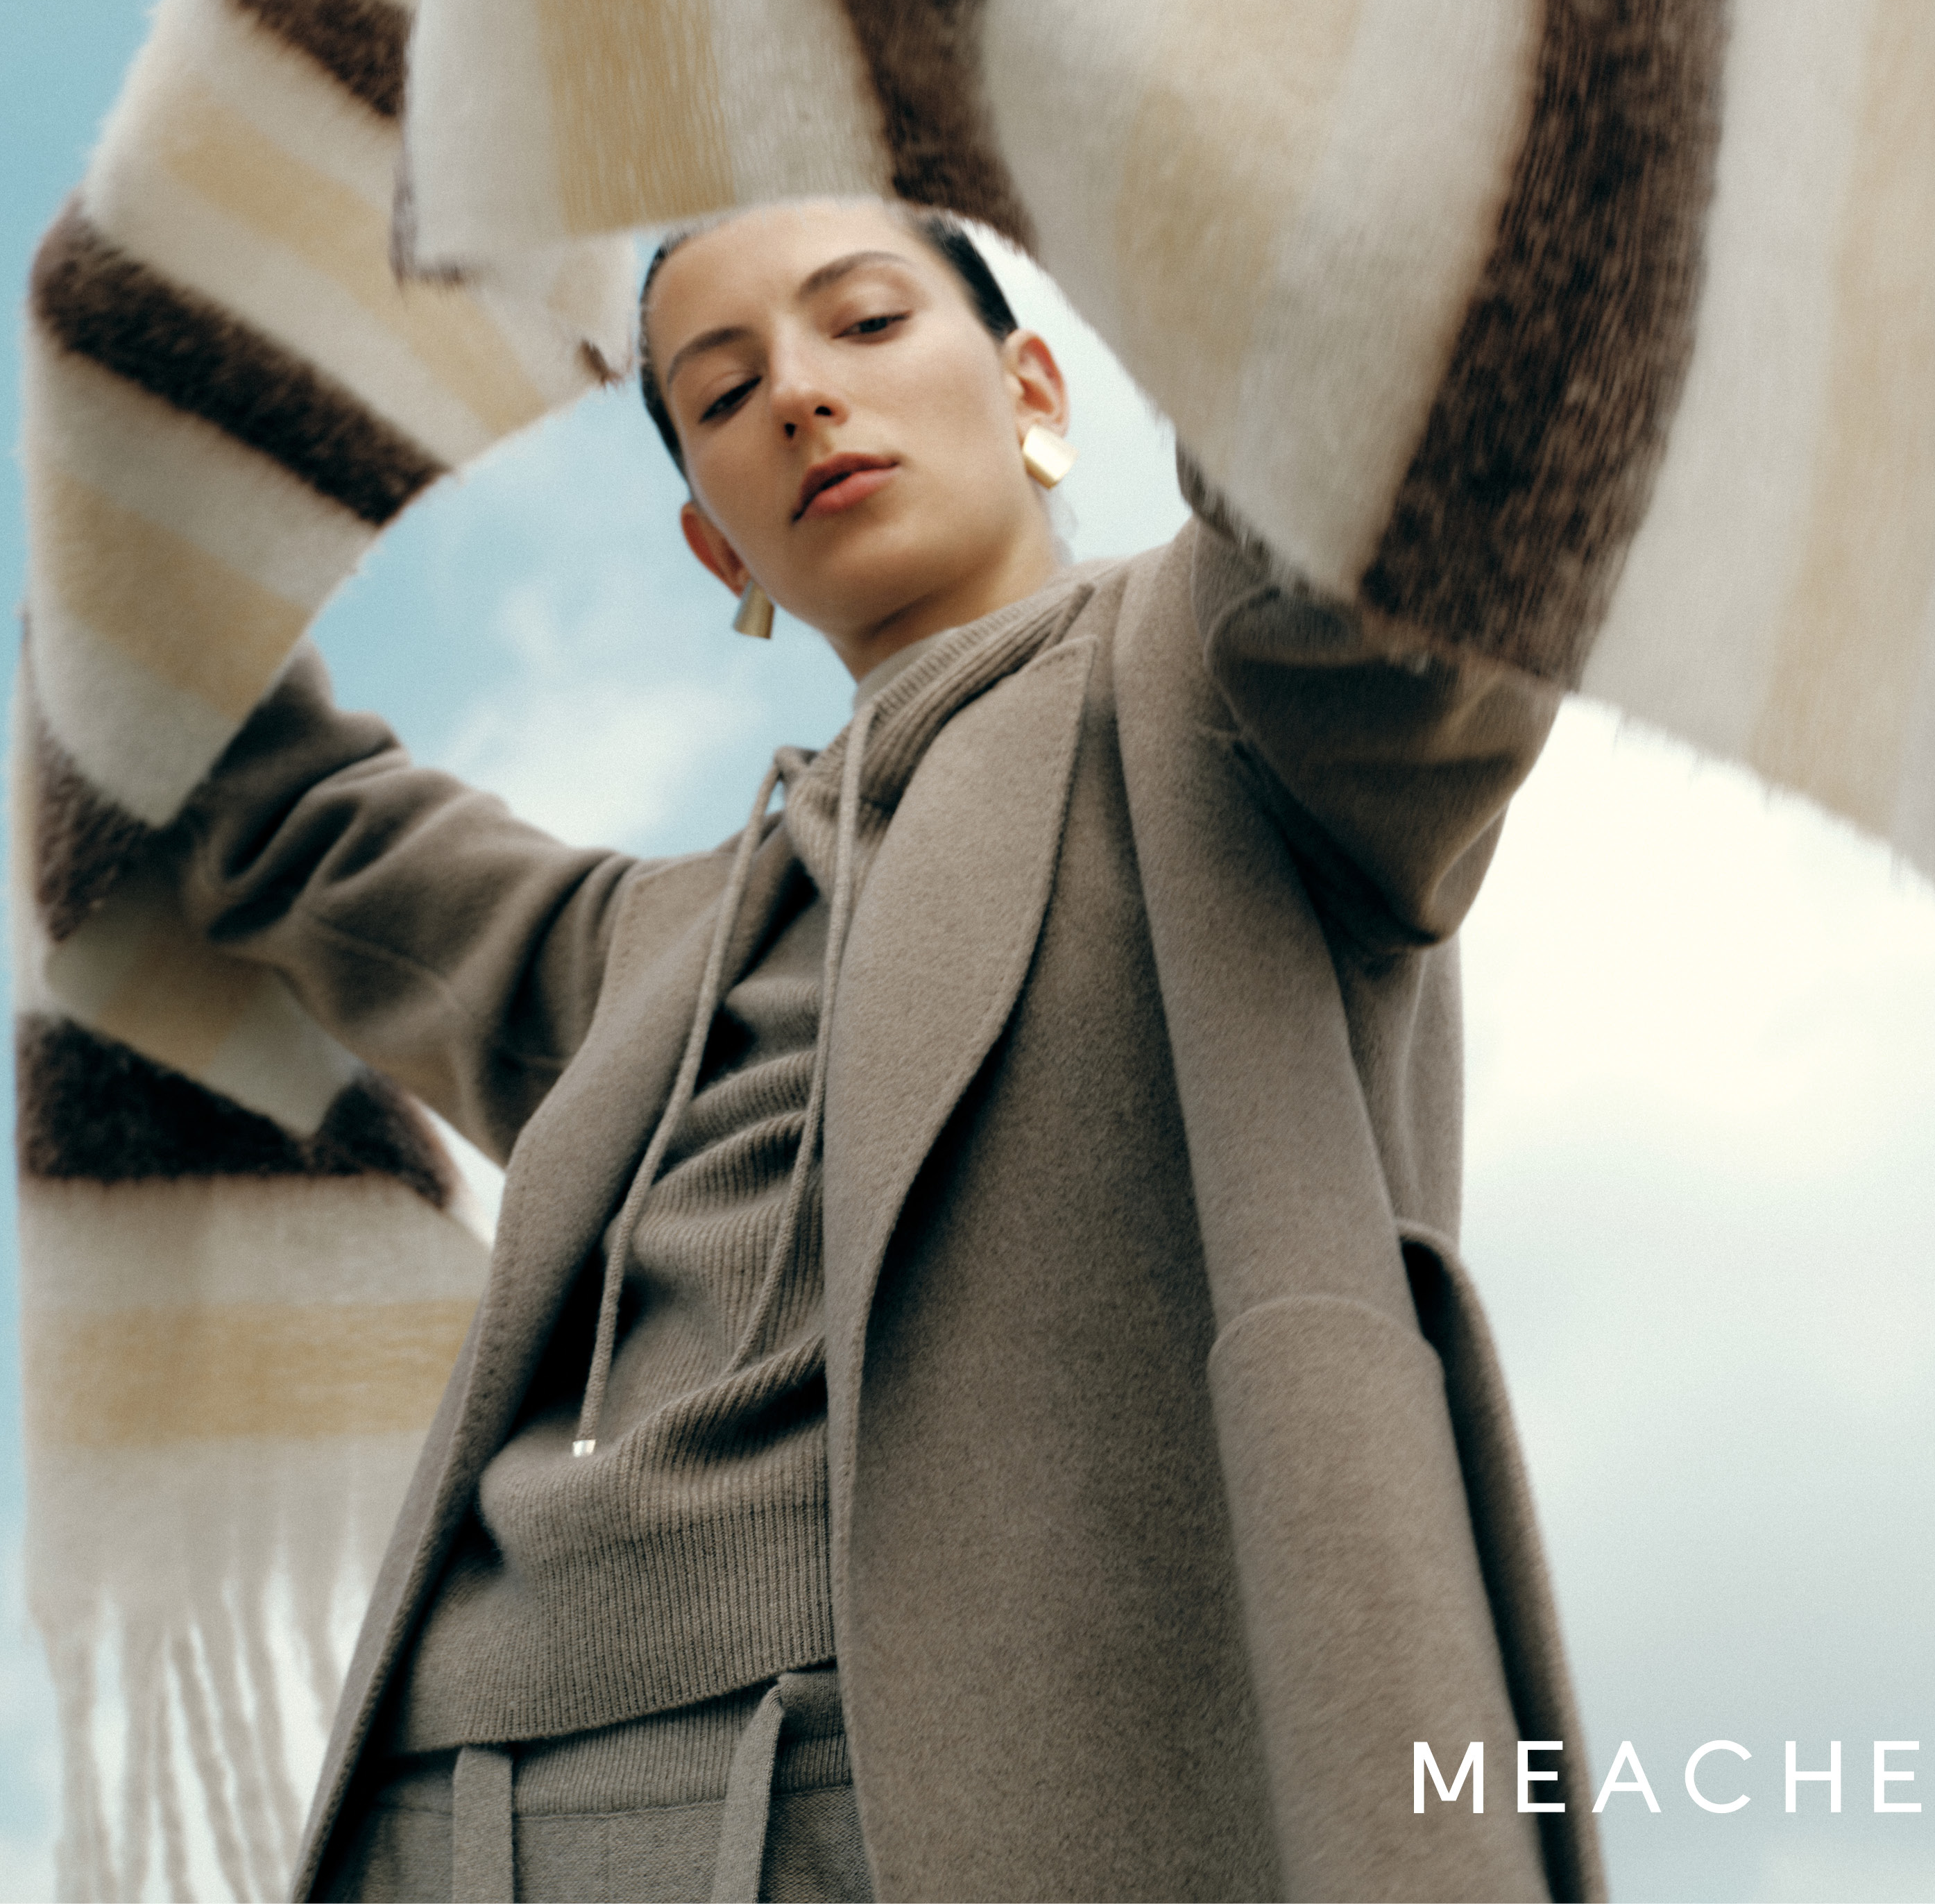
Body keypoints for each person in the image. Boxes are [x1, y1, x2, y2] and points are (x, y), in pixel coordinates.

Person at [157, 193, 1601, 1903]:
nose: (798, 393)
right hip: (450, 1810)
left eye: (864, 320)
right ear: (718, 548)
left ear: (1035, 388)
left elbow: (1383, 457)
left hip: (938, 1805)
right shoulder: (655, 939)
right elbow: (270, 805)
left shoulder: (1234, 705)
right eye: (721, 390)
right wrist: (128, 478)